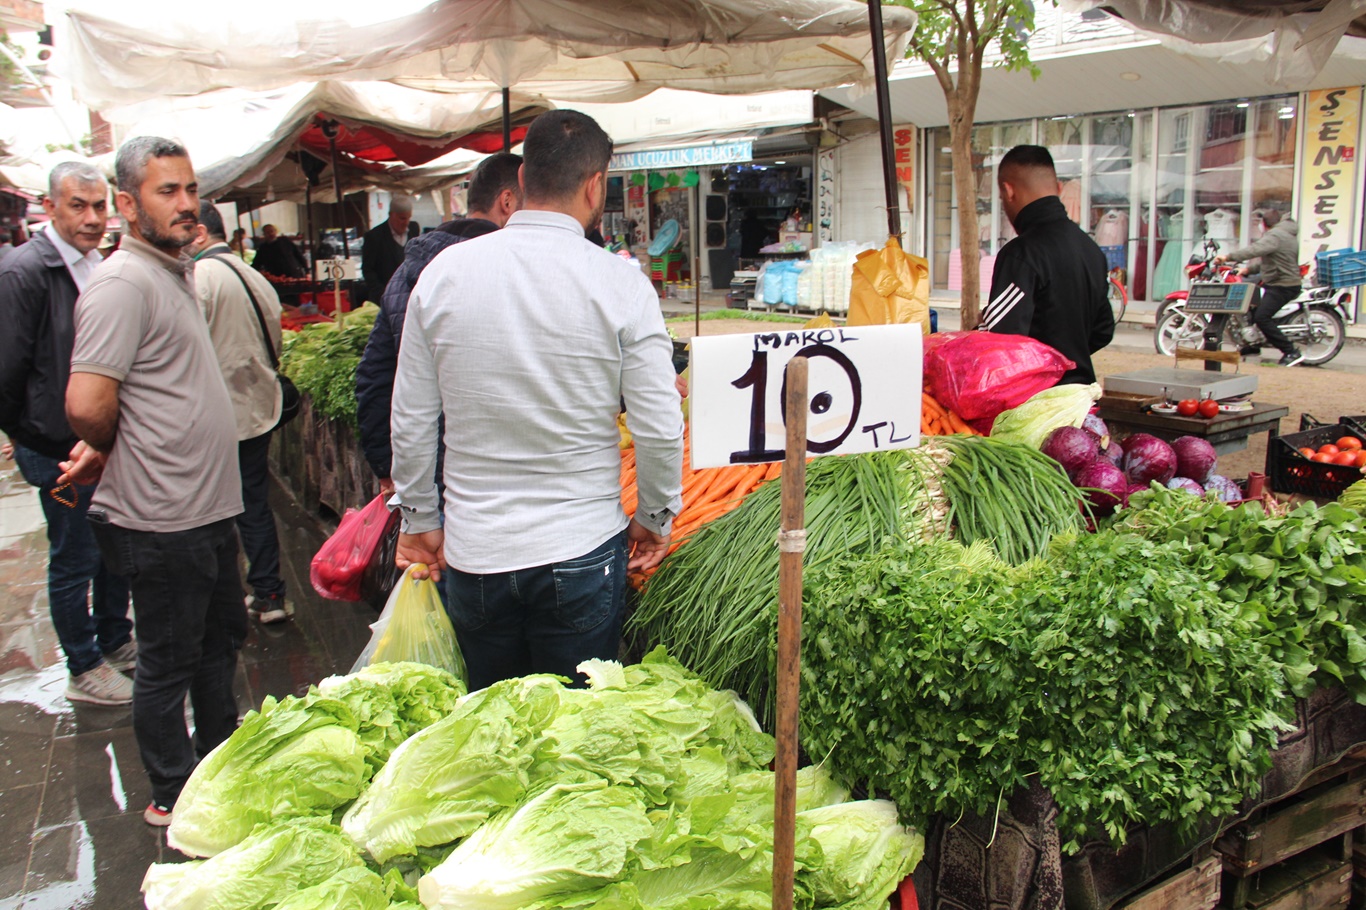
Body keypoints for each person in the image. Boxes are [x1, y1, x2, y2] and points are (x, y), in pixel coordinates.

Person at [390, 110, 684, 691]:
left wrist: (419, 517)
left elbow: (412, 417)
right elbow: (658, 425)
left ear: (522, 178)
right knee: (574, 742)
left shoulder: (444, 274)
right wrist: (654, 517)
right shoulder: (621, 284)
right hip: (581, 552)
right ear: (596, 184)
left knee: (493, 734)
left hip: (475, 553)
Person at [64, 136, 246, 827]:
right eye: (167, 191)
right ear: (126, 203)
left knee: (215, 647)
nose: (186, 204)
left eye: (191, 189)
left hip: (202, 511)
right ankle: (171, 793)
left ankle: (218, 766)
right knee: (168, 662)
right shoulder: (122, 283)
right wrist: (116, 447)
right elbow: (86, 403)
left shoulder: (174, 270)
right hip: (161, 518)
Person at [0, 161, 135, 706]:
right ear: (50, 206)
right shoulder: (25, 272)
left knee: (111, 549)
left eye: (100, 205)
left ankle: (114, 640)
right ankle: (83, 666)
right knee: (75, 555)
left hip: (100, 445)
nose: (93, 217)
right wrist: (48, 438)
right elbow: (8, 374)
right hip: (59, 450)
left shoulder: (97, 262)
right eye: (79, 205)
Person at [356, 153, 523, 492]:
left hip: (426, 478)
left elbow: (374, 378)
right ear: (507, 201)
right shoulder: (516, 269)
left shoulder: (405, 274)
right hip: (501, 477)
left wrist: (386, 467)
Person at [189, 201, 292, 623]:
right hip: (258, 406)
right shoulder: (255, 277)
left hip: (216, 414)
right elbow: (277, 344)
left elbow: (188, 352)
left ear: (198, 233)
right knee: (254, 501)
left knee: (218, 509)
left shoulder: (198, 278)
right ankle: (269, 593)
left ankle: (228, 598)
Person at [983, 145, 1114, 385]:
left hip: (1035, 404)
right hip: (1084, 400)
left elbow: (1000, 340)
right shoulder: (1091, 249)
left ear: (1008, 190)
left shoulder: (1021, 254)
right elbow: (1103, 331)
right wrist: (1067, 358)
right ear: (1059, 189)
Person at [1215, 208, 1303, 367]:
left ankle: (1290, 351)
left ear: (1264, 223)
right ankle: (1253, 345)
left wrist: (1227, 257)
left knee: (1262, 317)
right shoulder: (1284, 234)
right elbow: (1270, 261)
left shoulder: (1275, 236)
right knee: (1251, 305)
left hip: (1283, 285)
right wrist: (1248, 270)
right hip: (1277, 280)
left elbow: (1254, 250)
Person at [360, 195, 418, 304]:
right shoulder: (374, 237)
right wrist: (382, 293)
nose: (406, 222)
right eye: (402, 218)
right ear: (391, 215)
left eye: (408, 218)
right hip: (384, 297)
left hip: (408, 296)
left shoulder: (414, 230)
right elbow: (367, 270)